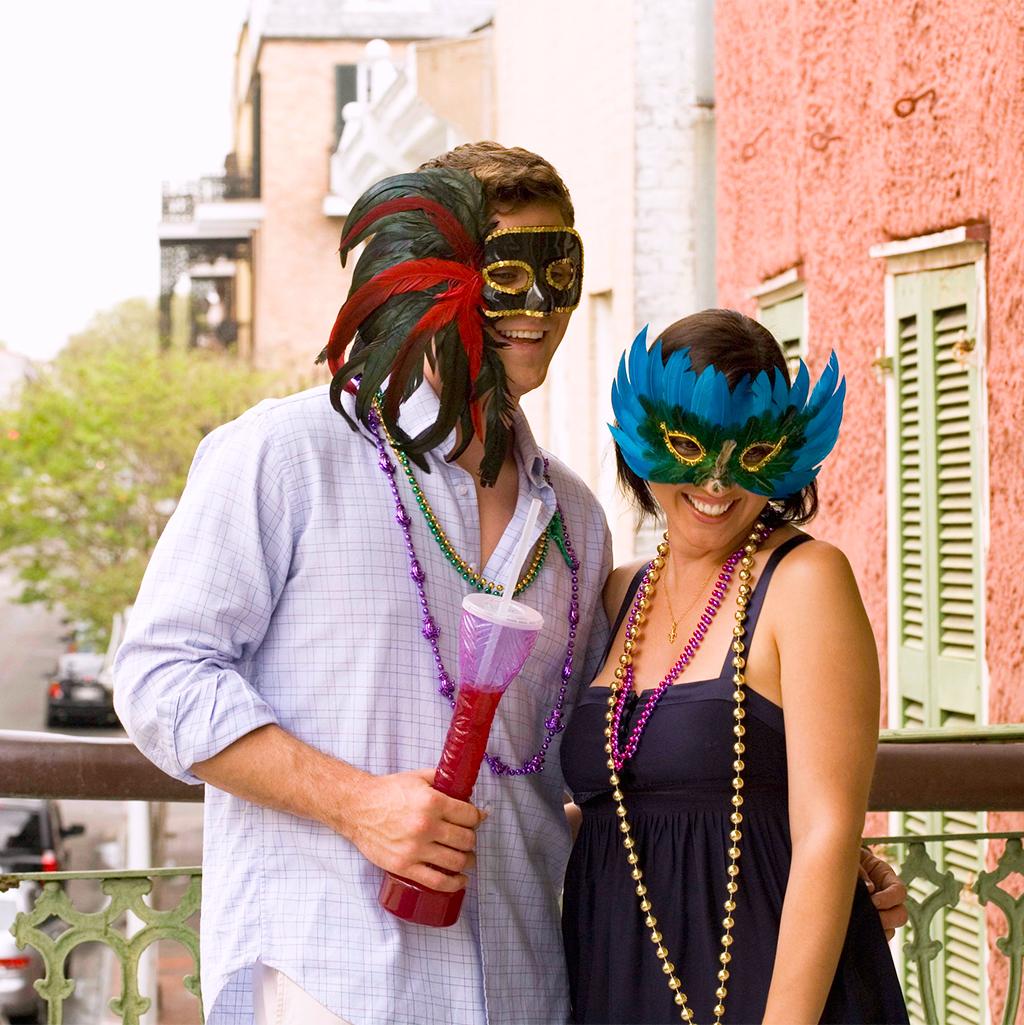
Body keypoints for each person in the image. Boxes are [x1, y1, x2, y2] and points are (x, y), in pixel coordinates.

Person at [115, 143, 906, 1025]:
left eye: (557, 273)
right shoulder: (286, 456)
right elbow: (158, 677)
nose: (537, 306)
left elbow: (594, 768)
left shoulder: (575, 522)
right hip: (333, 979)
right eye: (505, 274)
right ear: (433, 274)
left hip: (532, 990)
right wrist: (358, 804)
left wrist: (791, 848)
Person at [560, 311, 909, 1024]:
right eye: (688, 444)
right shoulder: (614, 593)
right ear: (640, 440)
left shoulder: (806, 579)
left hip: (766, 989)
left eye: (748, 454)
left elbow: (825, 831)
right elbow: (612, 808)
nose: (714, 480)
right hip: (618, 975)